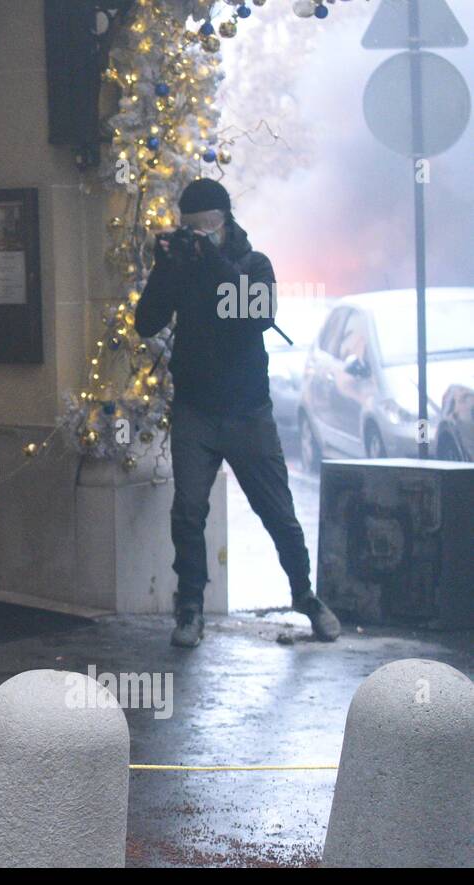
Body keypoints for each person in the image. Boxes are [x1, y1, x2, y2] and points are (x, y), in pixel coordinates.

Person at [135, 179, 341, 647]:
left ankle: (306, 597)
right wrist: (166, 269)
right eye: (190, 229)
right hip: (195, 411)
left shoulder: (253, 263)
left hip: (248, 412)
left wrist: (210, 262)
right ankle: (190, 609)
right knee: (187, 511)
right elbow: (146, 322)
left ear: (225, 222)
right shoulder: (181, 266)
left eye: (206, 227)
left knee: (279, 514)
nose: (199, 237)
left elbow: (253, 313)